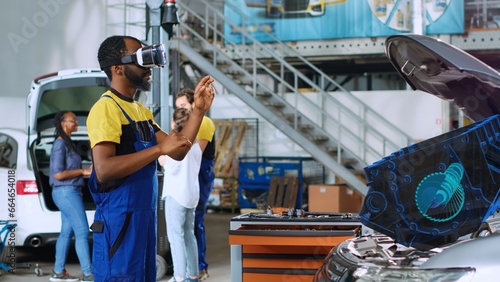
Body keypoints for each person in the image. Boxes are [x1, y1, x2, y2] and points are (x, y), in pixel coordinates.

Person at [86, 35, 214, 282]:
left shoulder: (140, 111)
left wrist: (198, 111)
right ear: (118, 68)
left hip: (143, 219)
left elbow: (178, 150)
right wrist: (157, 151)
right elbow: (103, 169)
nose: (149, 67)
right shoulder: (106, 109)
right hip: (119, 222)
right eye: (141, 59)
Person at [175, 89, 216, 280]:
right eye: (177, 107)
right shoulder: (189, 124)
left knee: (195, 222)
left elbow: (194, 154)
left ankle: (200, 267)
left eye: (183, 106)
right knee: (185, 226)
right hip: (190, 175)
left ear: (194, 103)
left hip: (201, 173)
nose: (180, 110)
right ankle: (189, 268)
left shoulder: (204, 122)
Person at [49, 111, 93, 282]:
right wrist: (82, 171)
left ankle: (58, 272)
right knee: (82, 231)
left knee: (66, 233)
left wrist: (85, 174)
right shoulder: (60, 145)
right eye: (72, 120)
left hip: (69, 191)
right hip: (66, 192)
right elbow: (58, 174)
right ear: (63, 124)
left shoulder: (68, 144)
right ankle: (88, 275)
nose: (75, 122)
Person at [159, 108, 202, 282]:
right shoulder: (196, 145)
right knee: (189, 237)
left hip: (175, 196)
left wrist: (159, 152)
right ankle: (192, 275)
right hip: (191, 197)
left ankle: (179, 277)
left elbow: (169, 166)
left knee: (176, 238)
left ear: (173, 124)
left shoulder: (177, 145)